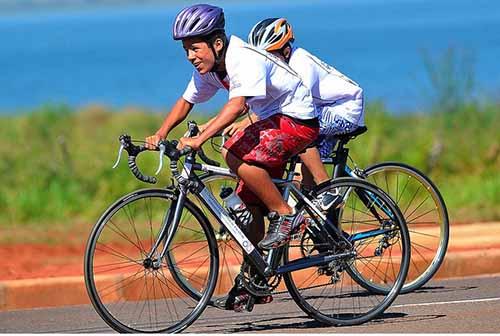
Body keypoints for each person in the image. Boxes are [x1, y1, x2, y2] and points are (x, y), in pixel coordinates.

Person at [145, 4, 319, 310]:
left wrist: (200, 139)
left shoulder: (242, 58)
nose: (190, 56)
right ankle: (256, 280)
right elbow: (187, 101)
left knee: (232, 152)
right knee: (249, 207)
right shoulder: (211, 69)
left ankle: (287, 215)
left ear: (217, 43)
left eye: (195, 48)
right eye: (186, 50)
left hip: (296, 120)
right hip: (271, 121)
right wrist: (160, 133)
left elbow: (238, 107)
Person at [235, 18, 365, 191]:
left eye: (268, 56)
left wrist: (249, 121)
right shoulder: (281, 67)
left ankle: (326, 193)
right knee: (302, 169)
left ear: (286, 50)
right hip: (324, 108)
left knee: (297, 128)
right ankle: (317, 208)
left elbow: (290, 106)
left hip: (345, 109)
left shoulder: (301, 63)